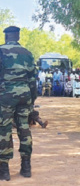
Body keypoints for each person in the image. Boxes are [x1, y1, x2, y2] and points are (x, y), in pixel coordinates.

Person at [0, 26, 37, 180]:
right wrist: (32, 100)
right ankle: (26, 167)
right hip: (25, 95)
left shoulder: (1, 51)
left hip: (6, 95)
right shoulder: (28, 54)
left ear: (6, 37)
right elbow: (33, 80)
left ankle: (4, 170)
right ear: (18, 37)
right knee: (24, 127)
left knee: (4, 129)